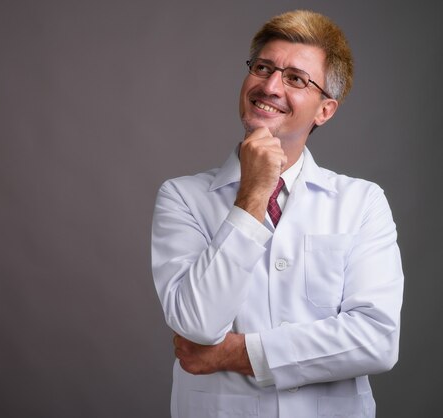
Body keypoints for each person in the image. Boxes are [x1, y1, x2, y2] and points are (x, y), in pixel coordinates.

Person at [151, 9, 403, 418]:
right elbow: (197, 325)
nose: (270, 86)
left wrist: (237, 353)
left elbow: (376, 340)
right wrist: (251, 196)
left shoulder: (362, 202)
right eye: (263, 68)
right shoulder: (182, 197)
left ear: (324, 110)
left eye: (296, 79)